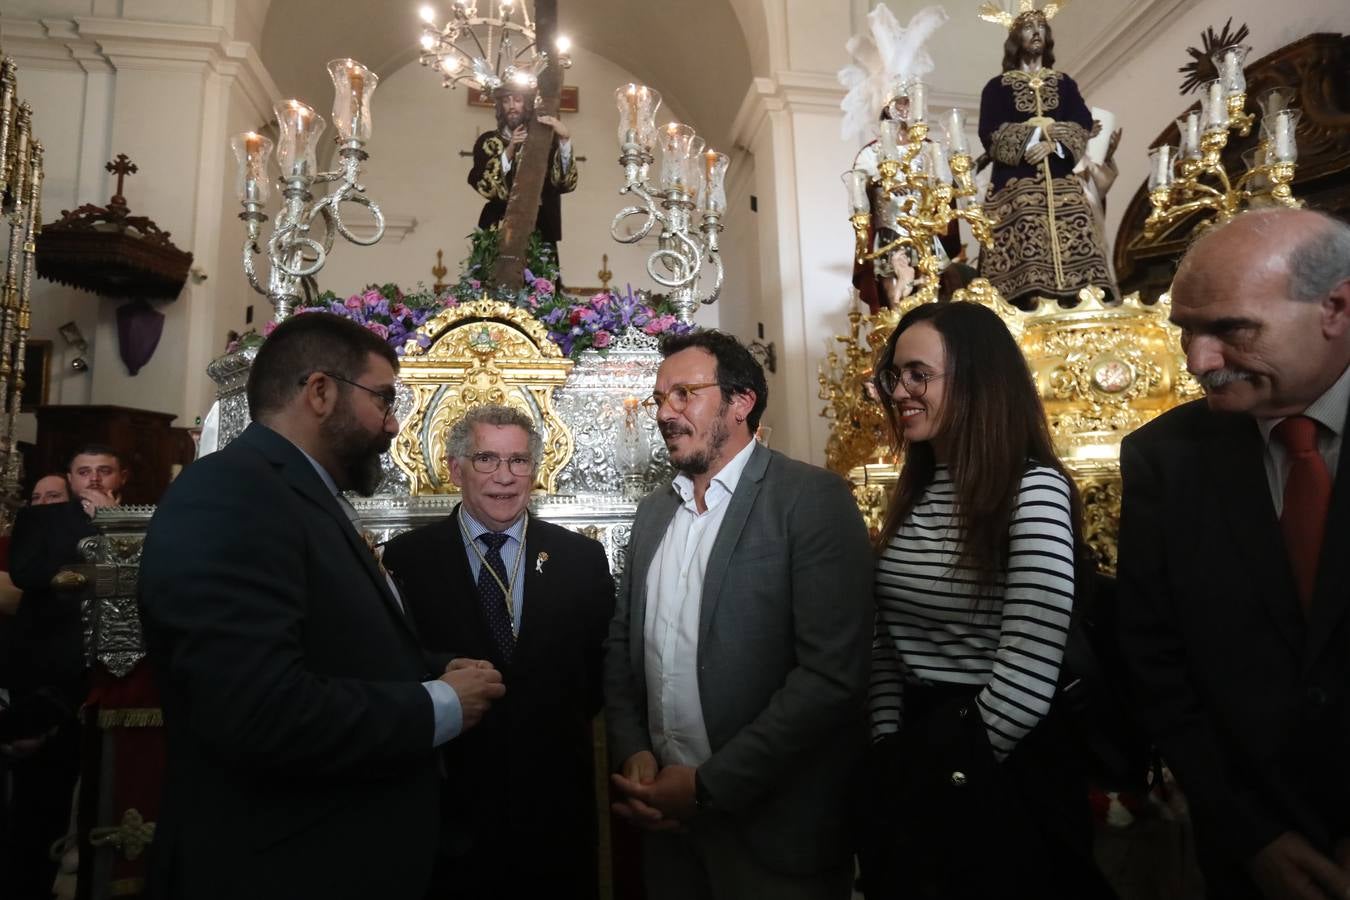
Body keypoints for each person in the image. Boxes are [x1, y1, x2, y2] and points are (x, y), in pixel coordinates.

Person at [136, 311, 506, 900]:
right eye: (383, 399)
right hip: (281, 867)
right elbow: (258, 711)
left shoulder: (300, 492)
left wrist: (432, 669)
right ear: (320, 392)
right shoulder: (229, 493)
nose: (392, 424)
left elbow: (327, 644)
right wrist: (438, 704)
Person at [1116, 208, 1350, 900]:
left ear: (1336, 307)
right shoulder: (1164, 458)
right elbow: (1153, 660)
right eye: (1186, 331)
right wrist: (1253, 835)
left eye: (1230, 329)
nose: (1198, 361)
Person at [604, 330, 873, 899]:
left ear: (741, 401)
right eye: (659, 399)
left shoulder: (810, 499)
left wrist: (707, 785)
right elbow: (623, 646)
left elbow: (829, 678)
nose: (665, 413)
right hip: (670, 832)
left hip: (773, 834)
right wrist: (636, 755)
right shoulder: (654, 513)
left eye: (684, 394)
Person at [863, 301, 1113, 899]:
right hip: (921, 751)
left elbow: (1029, 664)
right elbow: (887, 642)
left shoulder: (1033, 490)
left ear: (977, 378)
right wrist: (886, 748)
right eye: (895, 376)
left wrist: (946, 773)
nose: (901, 391)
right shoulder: (917, 491)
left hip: (1004, 767)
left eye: (919, 374)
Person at [382, 404, 615, 900]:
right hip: (449, 817)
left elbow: (601, 677)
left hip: (554, 818)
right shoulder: (408, 559)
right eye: (486, 459)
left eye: (519, 462)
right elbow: (395, 673)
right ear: (454, 469)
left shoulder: (581, 559)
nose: (504, 478)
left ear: (535, 469)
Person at [0, 447, 127, 899]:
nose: (93, 479)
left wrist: (116, 526)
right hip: (51, 669)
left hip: (113, 674)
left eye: (103, 470)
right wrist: (103, 573)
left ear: (121, 476)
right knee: (40, 800)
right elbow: (28, 572)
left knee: (105, 793)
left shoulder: (139, 519)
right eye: (84, 471)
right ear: (70, 479)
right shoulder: (44, 520)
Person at [977, 6, 1112, 307]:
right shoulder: (996, 88)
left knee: (1079, 213)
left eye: (1041, 26)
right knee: (1026, 210)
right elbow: (990, 133)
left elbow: (1082, 123)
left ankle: (1083, 300)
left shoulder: (1064, 84)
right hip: (1017, 181)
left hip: (1062, 176)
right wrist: (1034, 138)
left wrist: (1055, 144)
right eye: (1028, 27)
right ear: (1016, 38)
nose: (1036, 31)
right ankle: (1030, 299)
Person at [468, 86, 577, 267]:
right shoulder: (488, 142)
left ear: (527, 105)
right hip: (498, 225)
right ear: (500, 107)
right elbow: (485, 186)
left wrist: (564, 140)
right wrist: (509, 150)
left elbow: (564, 183)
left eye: (517, 100)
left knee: (539, 286)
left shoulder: (543, 141)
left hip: (539, 226)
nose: (511, 106)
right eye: (506, 101)